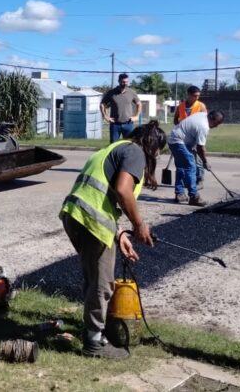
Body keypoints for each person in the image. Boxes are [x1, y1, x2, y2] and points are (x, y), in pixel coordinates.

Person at [60, 120, 166, 359]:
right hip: (91, 222)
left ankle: (93, 330)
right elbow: (122, 190)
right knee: (103, 284)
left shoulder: (113, 148)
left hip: (74, 216)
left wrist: (119, 235)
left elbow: (101, 195)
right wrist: (139, 225)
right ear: (154, 148)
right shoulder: (136, 152)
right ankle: (94, 343)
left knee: (94, 279)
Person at [168, 110, 224, 206]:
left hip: (175, 140)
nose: (216, 126)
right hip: (179, 141)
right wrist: (205, 162)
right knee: (191, 167)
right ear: (211, 118)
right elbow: (200, 148)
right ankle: (194, 196)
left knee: (182, 168)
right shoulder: (204, 126)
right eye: (216, 123)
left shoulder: (203, 115)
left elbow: (197, 142)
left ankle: (180, 194)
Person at [173, 85, 208, 187]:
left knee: (198, 160)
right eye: (194, 95)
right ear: (188, 95)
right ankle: (187, 179)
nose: (197, 98)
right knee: (186, 160)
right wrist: (179, 126)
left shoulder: (201, 106)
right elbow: (176, 119)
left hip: (196, 136)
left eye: (198, 96)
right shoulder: (181, 106)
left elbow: (206, 121)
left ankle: (199, 179)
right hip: (183, 137)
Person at [100, 73, 142, 143]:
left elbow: (139, 104)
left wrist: (136, 116)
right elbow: (102, 104)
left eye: (126, 82)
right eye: (123, 82)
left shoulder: (131, 92)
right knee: (113, 146)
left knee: (129, 145)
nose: (125, 84)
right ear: (119, 81)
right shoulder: (111, 93)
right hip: (115, 125)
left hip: (128, 124)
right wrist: (105, 116)